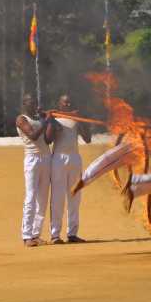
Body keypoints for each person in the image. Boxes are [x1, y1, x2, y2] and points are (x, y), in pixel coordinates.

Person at [49, 94, 91, 244]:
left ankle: (72, 234)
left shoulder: (76, 119)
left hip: (74, 158)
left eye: (69, 103)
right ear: (59, 104)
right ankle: (55, 235)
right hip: (59, 159)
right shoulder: (54, 119)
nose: (67, 105)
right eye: (64, 103)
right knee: (58, 198)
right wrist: (50, 120)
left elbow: (88, 139)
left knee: (75, 197)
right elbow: (48, 138)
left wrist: (82, 121)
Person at [16, 95, 55, 247]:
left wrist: (50, 120)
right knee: (31, 197)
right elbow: (32, 135)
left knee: (43, 199)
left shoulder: (40, 119)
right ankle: (26, 236)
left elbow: (48, 140)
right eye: (31, 103)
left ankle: (35, 234)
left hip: (46, 158)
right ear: (24, 104)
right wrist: (46, 121)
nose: (34, 105)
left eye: (35, 103)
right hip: (32, 159)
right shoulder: (21, 119)